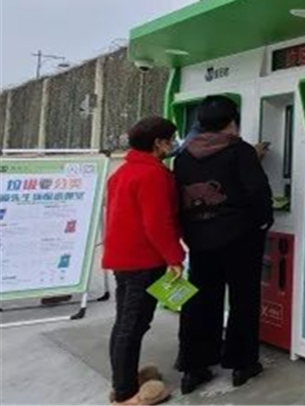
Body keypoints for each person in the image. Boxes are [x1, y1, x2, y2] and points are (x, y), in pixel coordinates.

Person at [172, 95, 274, 393]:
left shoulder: (184, 156)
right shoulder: (239, 151)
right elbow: (258, 191)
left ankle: (194, 367)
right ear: (232, 122)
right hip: (240, 237)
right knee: (244, 299)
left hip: (200, 239)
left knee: (200, 300)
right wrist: (263, 222)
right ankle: (242, 364)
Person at [103, 116, 186, 406]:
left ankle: (124, 380)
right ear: (158, 143)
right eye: (170, 139)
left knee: (125, 323)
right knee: (133, 326)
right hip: (143, 260)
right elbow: (157, 224)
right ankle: (125, 393)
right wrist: (174, 257)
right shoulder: (152, 175)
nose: (173, 144)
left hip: (123, 259)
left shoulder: (124, 172)